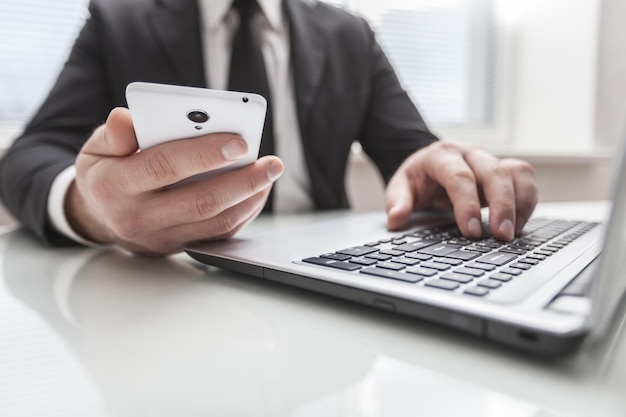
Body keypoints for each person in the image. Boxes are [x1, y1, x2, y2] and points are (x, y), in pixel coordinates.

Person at [0, 0, 537, 256]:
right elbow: (28, 157)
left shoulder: (350, 34)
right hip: (169, 279)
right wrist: (91, 208)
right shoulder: (118, 20)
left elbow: (413, 154)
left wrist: (442, 169)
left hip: (328, 275)